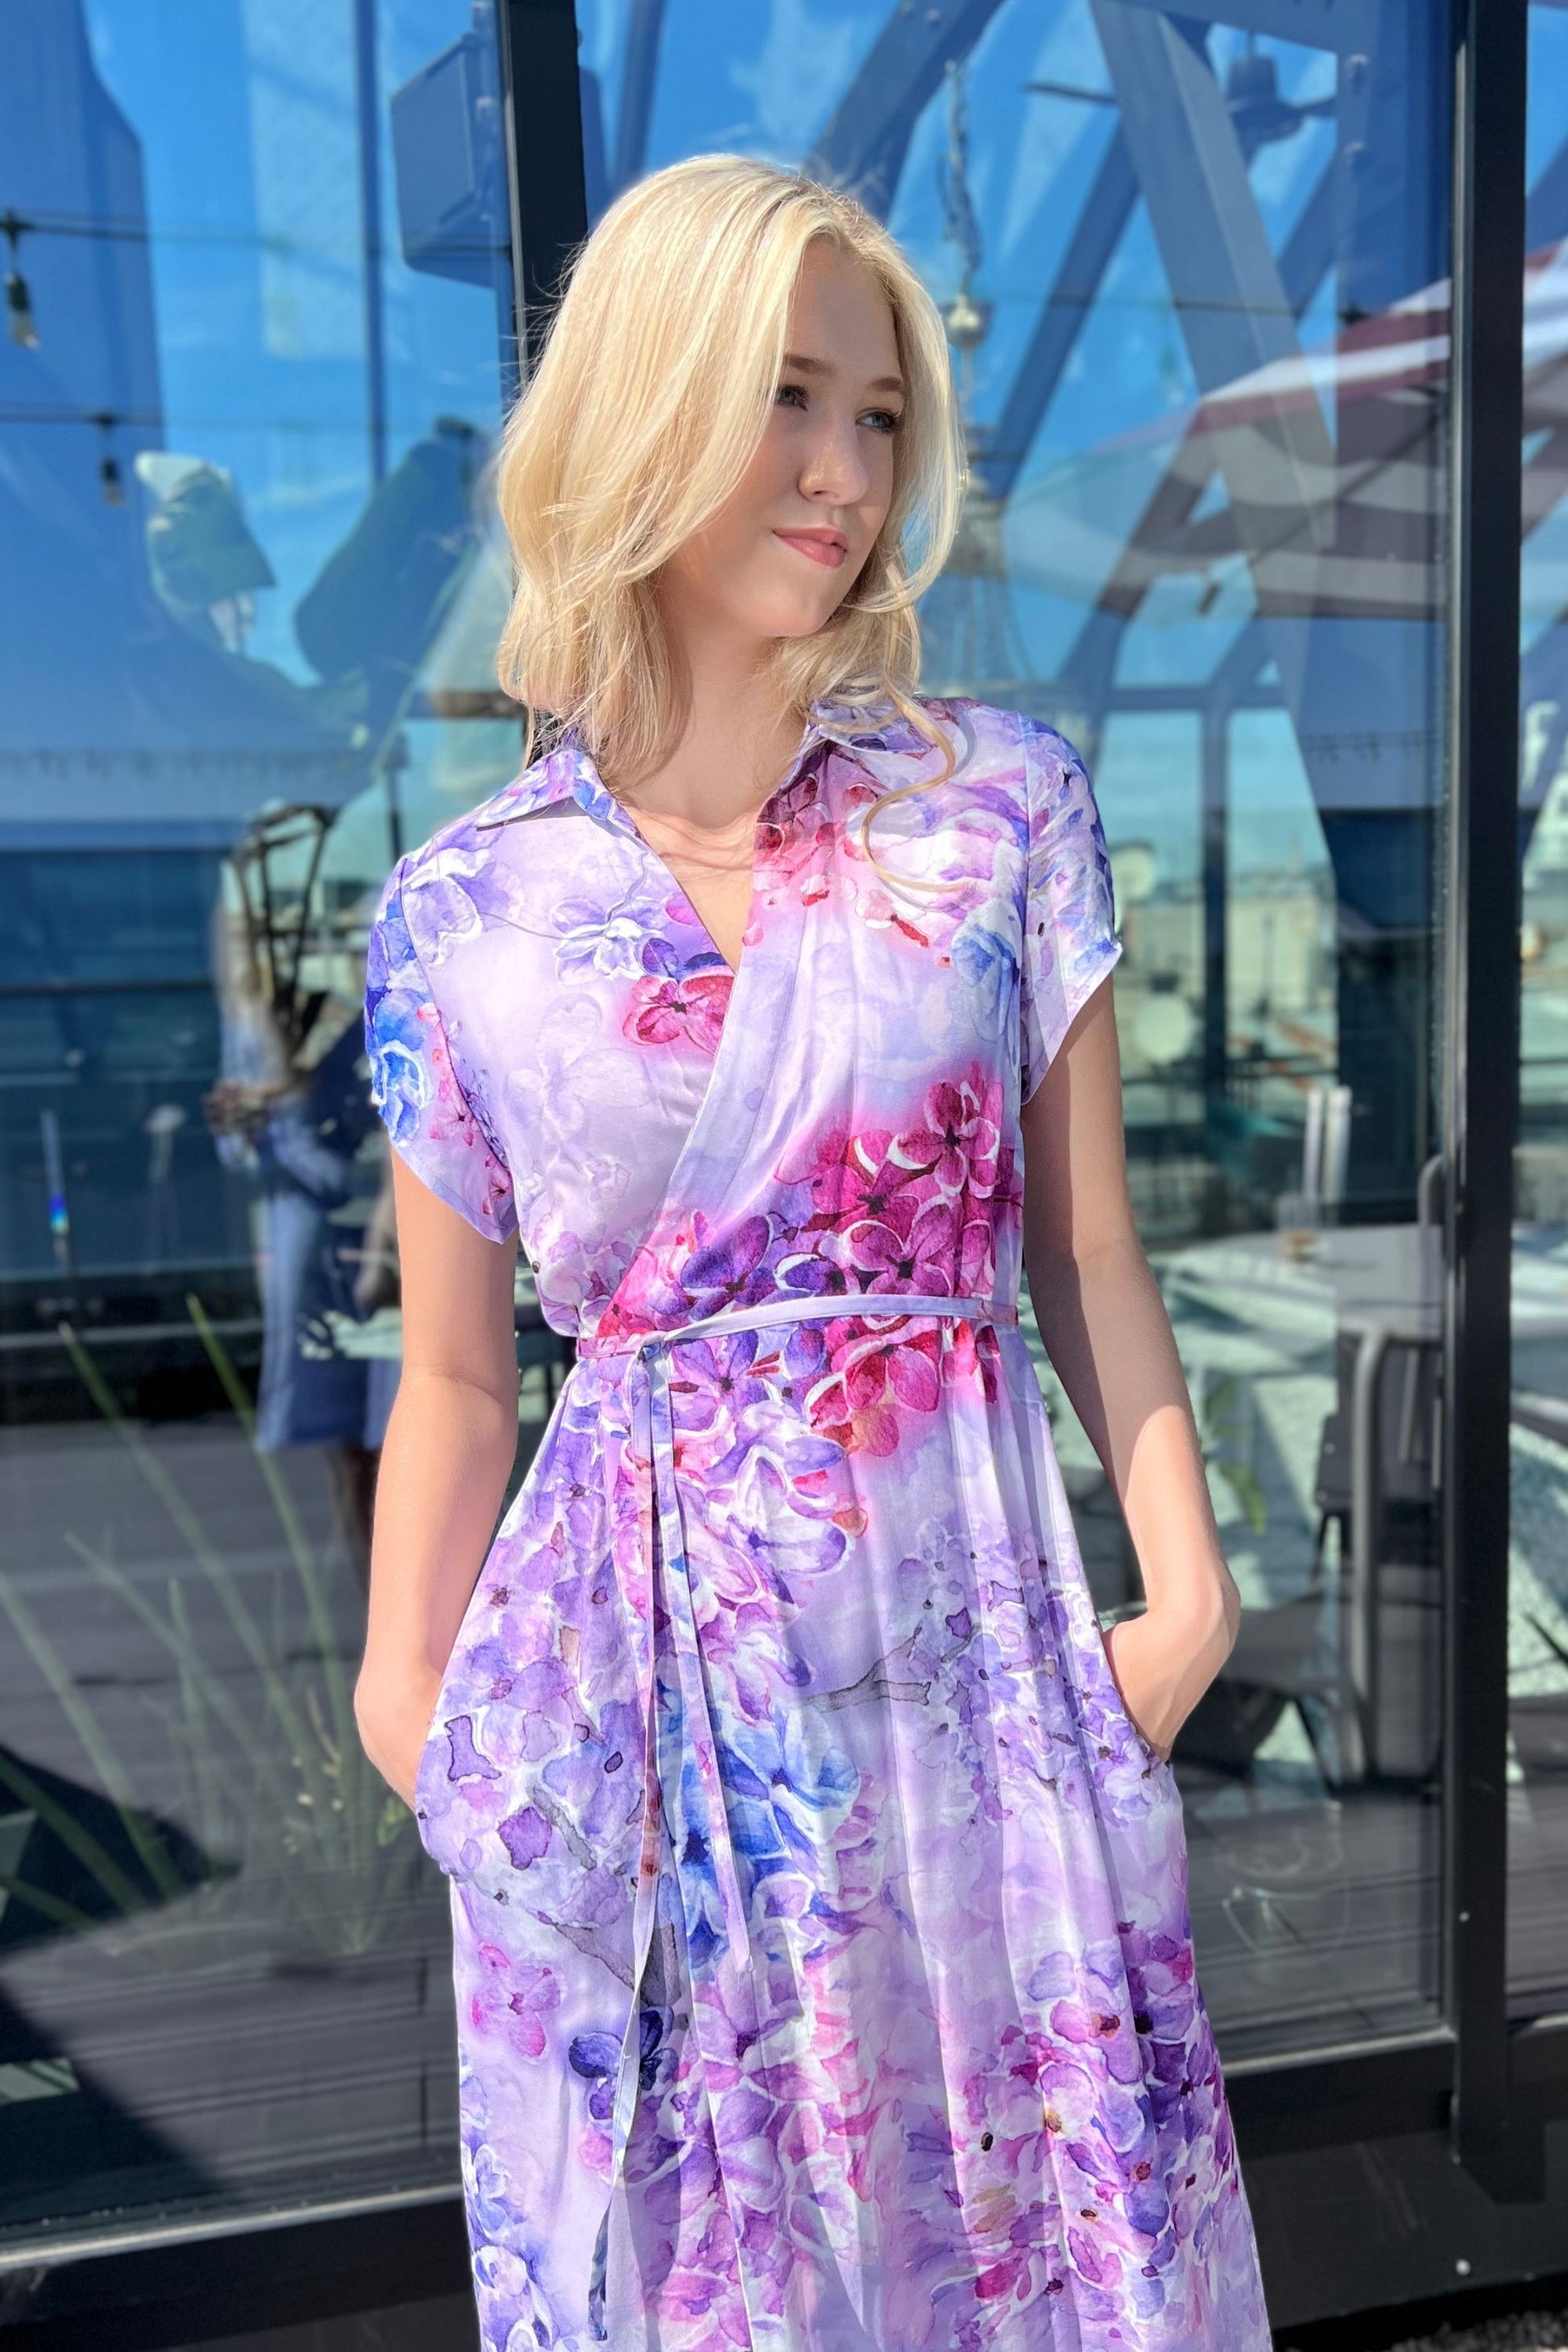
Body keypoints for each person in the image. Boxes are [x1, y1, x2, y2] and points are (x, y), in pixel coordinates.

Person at [355, 155, 1267, 2352]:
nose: (846, 473)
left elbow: (1086, 1250)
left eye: (877, 416)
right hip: (631, 1705)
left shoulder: (993, 812)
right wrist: (410, 1706)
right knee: (711, 2272)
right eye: (786, 396)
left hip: (974, 1670)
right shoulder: (468, 913)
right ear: (648, 396)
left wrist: (1184, 1596)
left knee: (1037, 2246)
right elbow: (458, 1380)